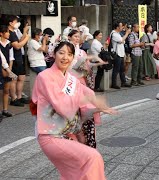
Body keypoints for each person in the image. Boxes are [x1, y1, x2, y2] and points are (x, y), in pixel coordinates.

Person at [31, 41, 117, 179]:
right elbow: (62, 105)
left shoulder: (72, 79)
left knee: (74, 173)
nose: (65, 57)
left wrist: (97, 107)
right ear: (54, 54)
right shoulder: (45, 77)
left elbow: (86, 97)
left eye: (69, 54)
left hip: (67, 134)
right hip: (51, 135)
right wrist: (84, 99)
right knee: (92, 157)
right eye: (61, 53)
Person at [8, 15, 30, 107]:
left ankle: (19, 97)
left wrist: (24, 33)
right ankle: (13, 98)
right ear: (10, 23)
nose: (18, 23)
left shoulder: (15, 31)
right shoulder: (9, 33)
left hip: (19, 57)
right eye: (16, 21)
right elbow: (17, 46)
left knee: (21, 78)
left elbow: (20, 40)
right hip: (13, 58)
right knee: (14, 79)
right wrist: (27, 38)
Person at [0, 25, 17, 118]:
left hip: (7, 68)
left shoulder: (9, 44)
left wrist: (9, 70)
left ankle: (5, 110)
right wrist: (3, 70)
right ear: (1, 33)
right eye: (6, 32)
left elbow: (11, 57)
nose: (8, 34)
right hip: (1, 68)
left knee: (6, 90)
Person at [110, 22, 132, 89]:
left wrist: (123, 38)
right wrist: (127, 33)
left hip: (121, 53)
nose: (122, 27)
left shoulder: (118, 33)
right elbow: (121, 40)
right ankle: (114, 84)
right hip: (117, 54)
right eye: (121, 26)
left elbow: (123, 41)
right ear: (117, 27)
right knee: (116, 69)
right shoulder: (114, 34)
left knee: (122, 69)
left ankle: (123, 82)